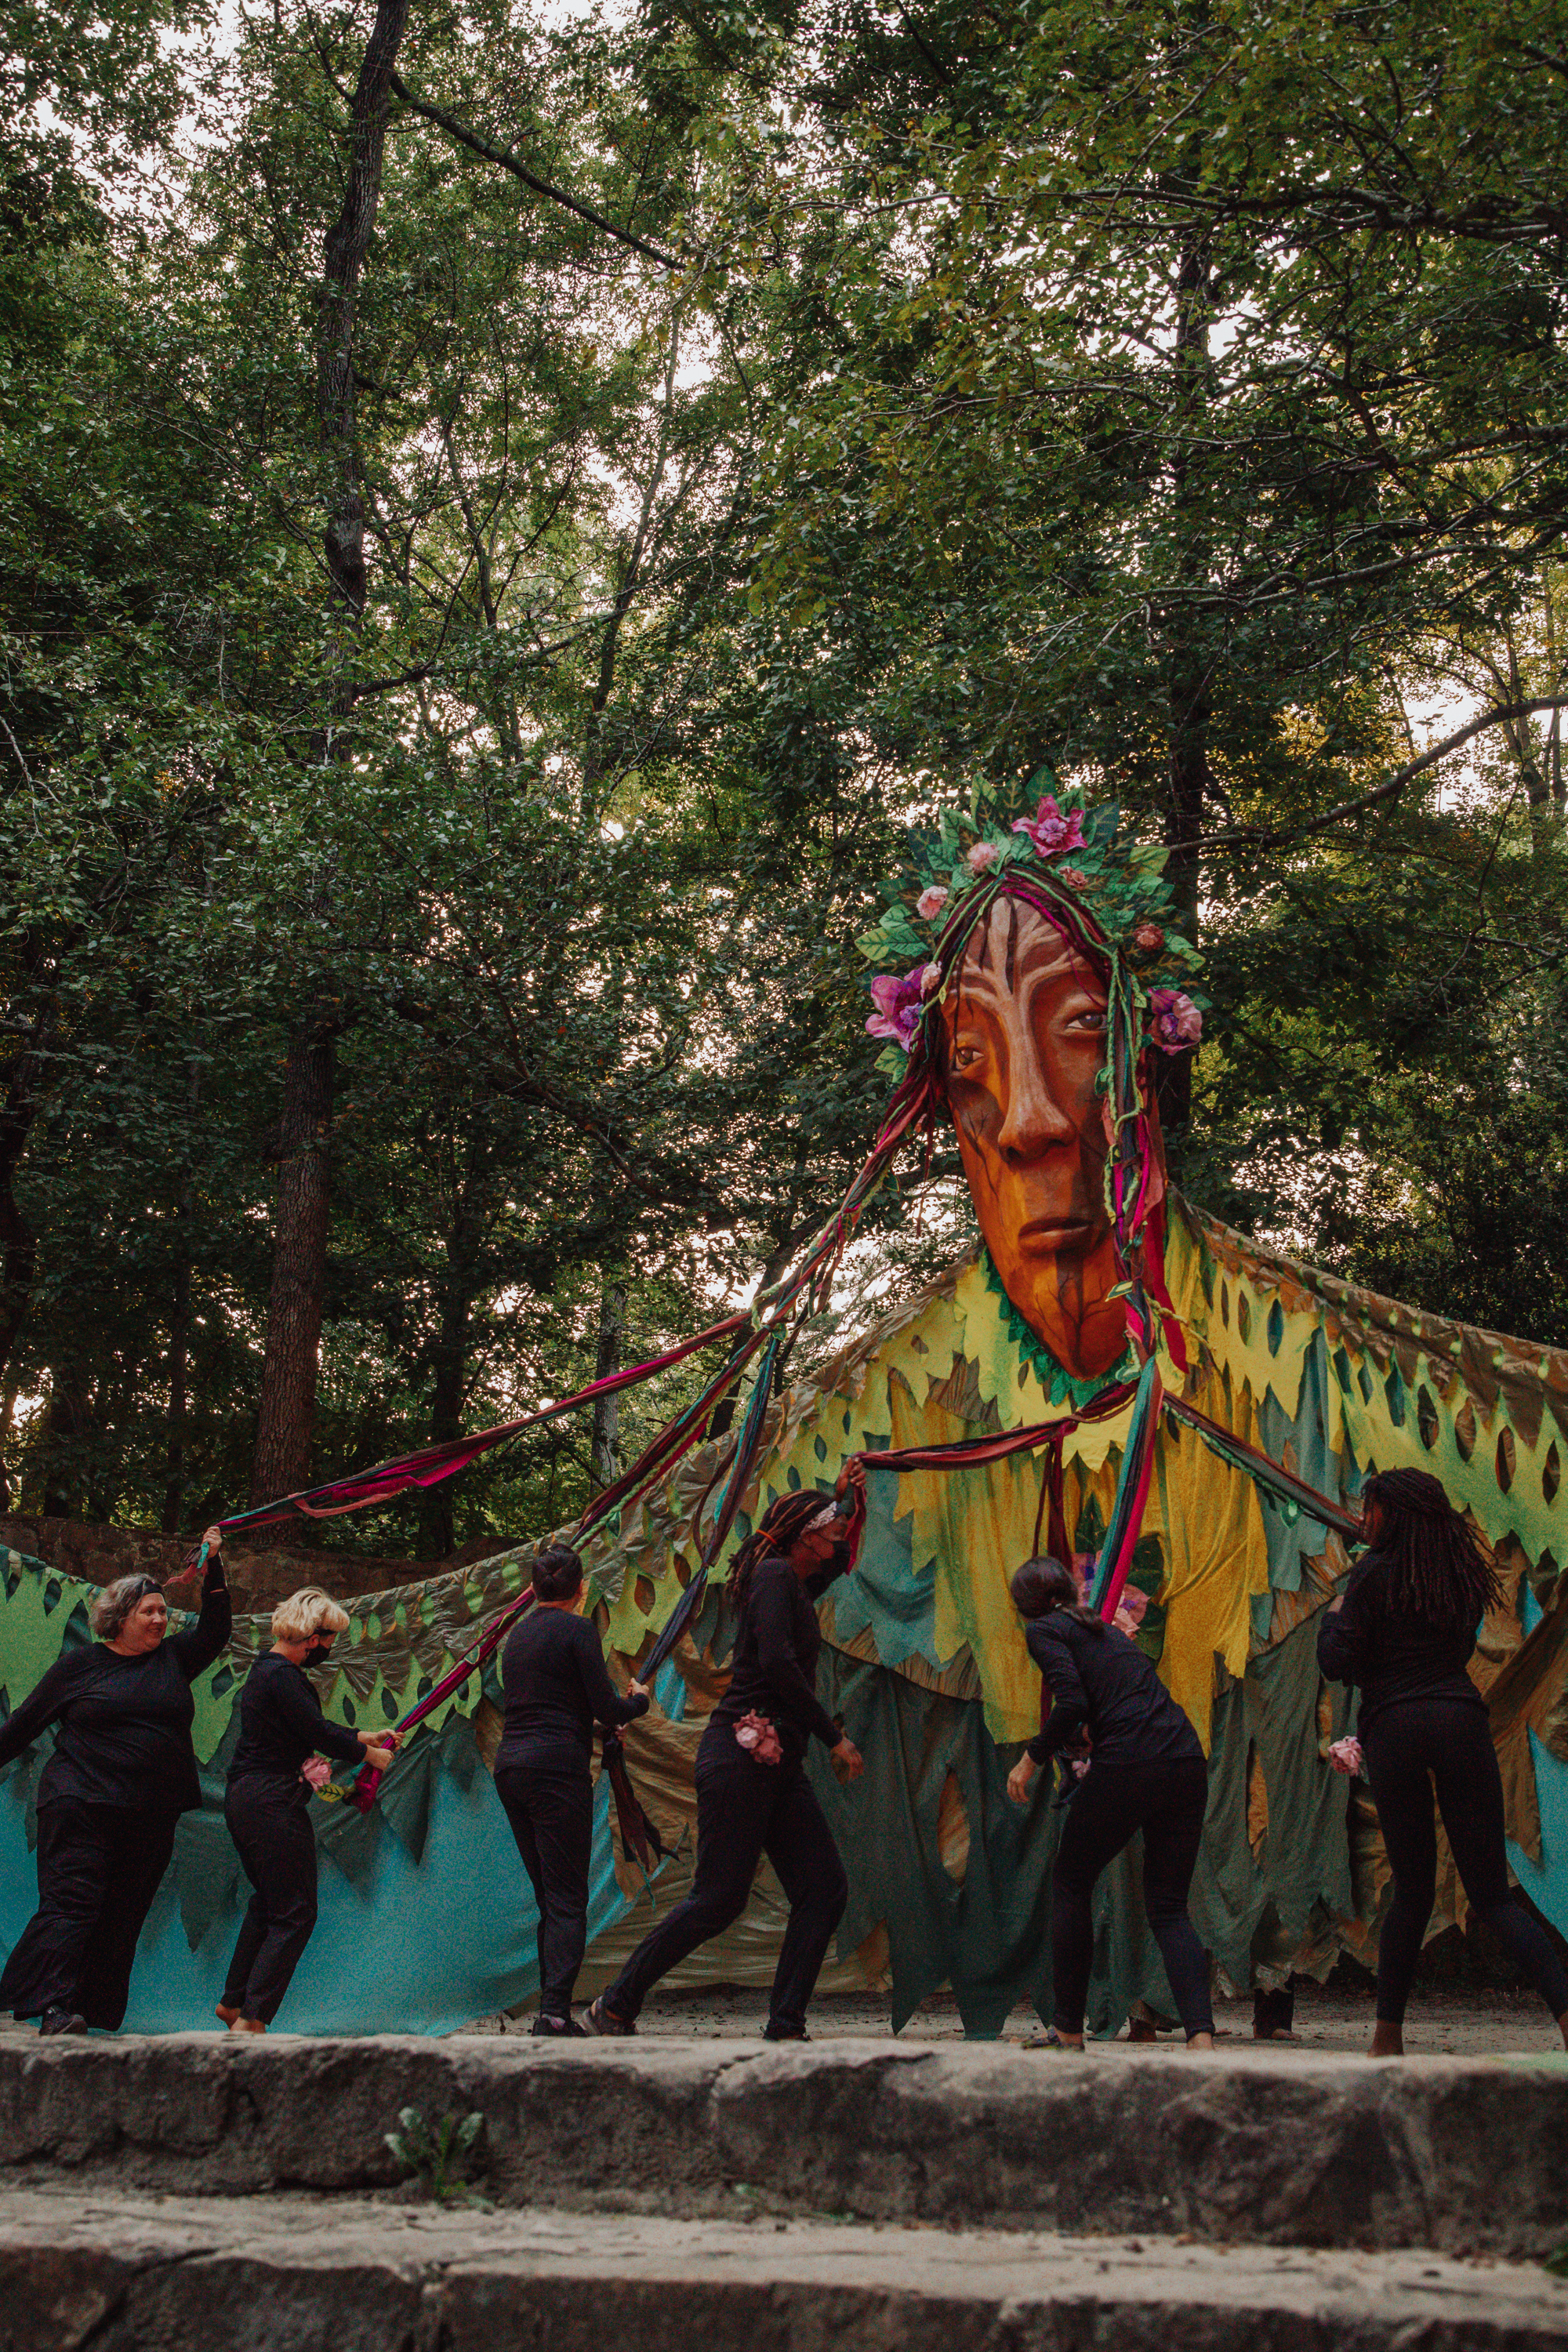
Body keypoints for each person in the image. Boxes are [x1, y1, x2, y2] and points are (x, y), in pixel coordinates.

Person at [586, 1483, 866, 2042]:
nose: (840, 1530)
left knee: (823, 1888)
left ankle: (786, 2023)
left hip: (776, 1762)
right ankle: (614, 2004)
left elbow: (843, 1557)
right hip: (739, 1760)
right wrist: (834, 1737)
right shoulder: (773, 1578)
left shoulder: (793, 1581)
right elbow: (781, 1668)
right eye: (832, 1522)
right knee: (718, 1899)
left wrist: (853, 1493)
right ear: (806, 1535)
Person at [1318, 1466, 1568, 2057]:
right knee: (1494, 1897)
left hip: (1396, 1730)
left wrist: (1337, 1609)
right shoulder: (1455, 1576)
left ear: (1392, 1514)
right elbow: (1456, 1651)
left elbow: (1336, 1660)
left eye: (1370, 1509)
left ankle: (1387, 2039)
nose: (1363, 1518)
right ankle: (1565, 2020)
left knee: (1412, 1892)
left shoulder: (1369, 1577)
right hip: (1459, 1721)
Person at [0, 1530, 232, 2034]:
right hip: (80, 1804)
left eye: (162, 1611)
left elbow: (216, 1630)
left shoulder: (174, 1659)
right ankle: (53, 2008)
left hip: (150, 1815)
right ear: (119, 1617)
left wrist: (214, 1567)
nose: (159, 1619)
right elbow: (22, 1727)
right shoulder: (80, 1666)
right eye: (147, 1611)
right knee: (73, 1904)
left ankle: (78, 2009)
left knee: (122, 1915)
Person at [1006, 1553, 1214, 2049]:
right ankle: (1201, 2038)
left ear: (1027, 1606)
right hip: (1185, 1758)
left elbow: (1073, 1702)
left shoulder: (1045, 1631)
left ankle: (1068, 2032)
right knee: (1169, 1906)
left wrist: (1030, 1760)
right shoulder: (1102, 1632)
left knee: (1072, 1881)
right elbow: (1106, 1701)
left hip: (1133, 1762)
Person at [217, 1587, 397, 2034]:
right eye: (330, 1638)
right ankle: (253, 2019)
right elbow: (315, 1730)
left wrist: (361, 1737)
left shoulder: (266, 1671)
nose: (331, 1648)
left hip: (247, 1798)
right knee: (296, 1912)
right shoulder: (285, 1676)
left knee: (269, 1902)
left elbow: (305, 1726)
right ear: (313, 1636)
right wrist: (370, 1758)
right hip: (271, 1801)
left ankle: (234, 2003)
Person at [492, 1544, 652, 2036]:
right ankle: (555, 2013)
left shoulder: (515, 1638)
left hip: (511, 1768)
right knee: (566, 1899)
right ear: (581, 1589)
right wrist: (638, 1703)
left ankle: (550, 2006)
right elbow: (605, 1705)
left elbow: (552, 1701)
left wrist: (594, 1723)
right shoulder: (578, 1630)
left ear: (536, 1589)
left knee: (549, 1897)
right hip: (556, 1771)